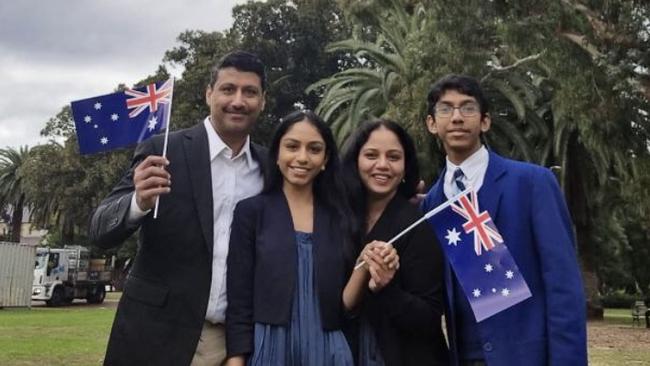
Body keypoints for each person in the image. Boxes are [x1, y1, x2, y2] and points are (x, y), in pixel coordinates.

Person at [89, 50, 268, 366]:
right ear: (209, 94)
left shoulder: (268, 167)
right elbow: (100, 230)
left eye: (249, 92)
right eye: (228, 89)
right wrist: (138, 202)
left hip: (231, 343)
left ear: (262, 101)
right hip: (155, 335)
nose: (238, 101)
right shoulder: (162, 149)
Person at [421, 74, 587, 366]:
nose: (457, 117)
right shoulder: (432, 204)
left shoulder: (532, 183)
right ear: (432, 124)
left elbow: (563, 287)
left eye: (468, 108)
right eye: (446, 109)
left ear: (485, 121)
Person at [225, 110, 360, 366]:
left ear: (325, 159)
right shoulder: (252, 212)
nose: (302, 157)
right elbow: (239, 298)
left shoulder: (340, 216)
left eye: (314, 149)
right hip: (270, 347)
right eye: (292, 146)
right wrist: (236, 358)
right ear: (276, 153)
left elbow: (349, 302)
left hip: (328, 348)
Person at [340, 119, 449, 366]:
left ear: (405, 166)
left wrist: (386, 289)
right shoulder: (338, 217)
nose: (382, 165)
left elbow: (430, 318)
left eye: (393, 157)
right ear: (355, 160)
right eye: (371, 155)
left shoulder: (416, 225)